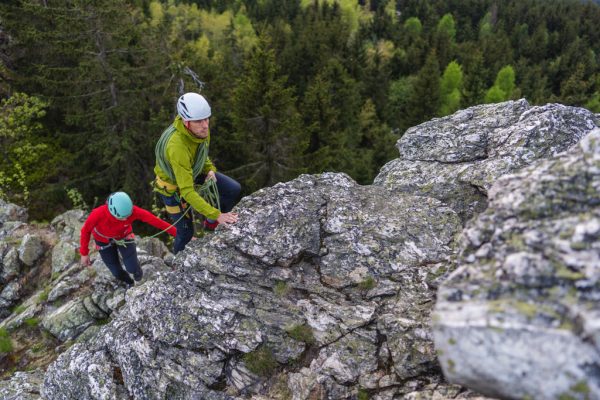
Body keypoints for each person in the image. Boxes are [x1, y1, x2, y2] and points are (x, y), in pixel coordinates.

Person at [153, 92, 241, 253]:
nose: (205, 125)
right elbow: (186, 191)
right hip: (171, 188)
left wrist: (209, 170)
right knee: (186, 233)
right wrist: (217, 214)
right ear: (186, 122)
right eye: (199, 121)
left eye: (207, 119)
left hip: (192, 170)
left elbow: (201, 153)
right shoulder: (177, 147)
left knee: (232, 189)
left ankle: (210, 224)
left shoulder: (200, 132)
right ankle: (177, 264)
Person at [80, 192, 177, 286]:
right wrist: (84, 253)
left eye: (128, 216)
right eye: (123, 218)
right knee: (116, 272)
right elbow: (85, 231)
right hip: (103, 241)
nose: (126, 219)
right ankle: (129, 282)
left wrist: (179, 234)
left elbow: (156, 221)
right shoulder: (98, 214)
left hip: (124, 236)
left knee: (132, 268)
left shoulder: (133, 211)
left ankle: (138, 277)